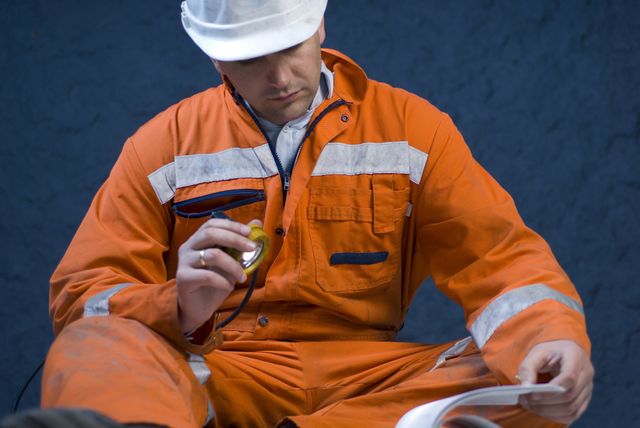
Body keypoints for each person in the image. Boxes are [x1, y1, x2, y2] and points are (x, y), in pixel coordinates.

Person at [27, 1, 593, 427]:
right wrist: (177, 304)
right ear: (214, 53)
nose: (279, 78)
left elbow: (498, 261)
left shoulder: (415, 131)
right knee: (94, 349)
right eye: (252, 58)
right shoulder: (162, 147)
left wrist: (549, 336)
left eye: (291, 47)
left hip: (371, 382)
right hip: (222, 372)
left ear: (319, 24)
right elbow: (83, 299)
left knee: (527, 381)